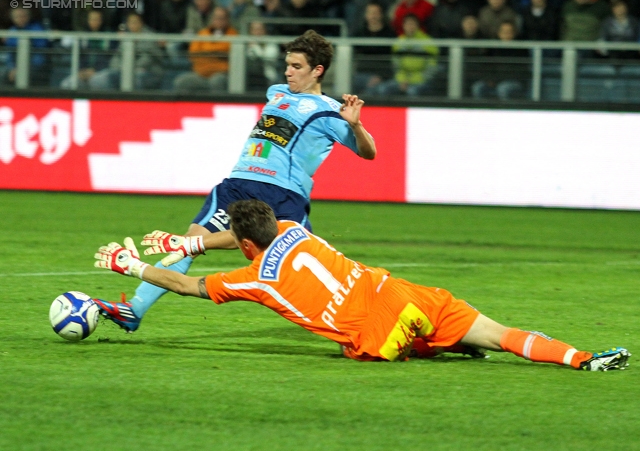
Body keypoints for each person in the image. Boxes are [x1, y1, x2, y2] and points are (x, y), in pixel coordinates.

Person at [94, 199, 631, 371]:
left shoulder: (255, 278)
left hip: (379, 327)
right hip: (404, 292)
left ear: (244, 244)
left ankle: (442, 349)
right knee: (501, 333)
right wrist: (185, 244)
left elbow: (188, 289)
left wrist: (130, 264)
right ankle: (583, 358)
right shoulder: (293, 228)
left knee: (365, 351)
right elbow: (251, 235)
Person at [95, 30, 377, 332]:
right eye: (287, 64)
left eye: (296, 66)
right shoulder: (277, 92)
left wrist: (356, 125)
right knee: (184, 246)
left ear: (317, 70)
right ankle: (133, 310)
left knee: (301, 271)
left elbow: (369, 152)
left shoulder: (331, 112)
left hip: (283, 194)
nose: (288, 71)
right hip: (239, 182)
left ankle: (361, 320)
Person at [89, 11, 164, 90]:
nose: (133, 25)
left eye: (135, 22)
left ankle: (134, 102)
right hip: (124, 71)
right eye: (130, 22)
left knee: (136, 78)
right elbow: (116, 57)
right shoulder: (126, 37)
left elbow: (147, 59)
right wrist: (120, 68)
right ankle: (112, 101)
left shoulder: (149, 37)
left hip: (148, 72)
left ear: (141, 23)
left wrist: (128, 69)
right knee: (99, 79)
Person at [173, 6, 238, 93]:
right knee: (181, 81)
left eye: (221, 18)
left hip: (221, 75)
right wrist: (215, 54)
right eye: (216, 18)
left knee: (217, 82)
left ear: (227, 19)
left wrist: (206, 52)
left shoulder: (233, 34)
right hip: (200, 74)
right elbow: (193, 54)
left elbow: (227, 52)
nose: (218, 21)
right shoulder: (203, 33)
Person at [373, 13, 440, 96]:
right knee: (383, 89)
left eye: (413, 24)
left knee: (412, 91)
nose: (410, 27)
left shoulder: (428, 43)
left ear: (418, 26)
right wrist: (403, 80)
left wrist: (411, 80)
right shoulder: (398, 43)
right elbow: (396, 67)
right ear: (403, 25)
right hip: (401, 79)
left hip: (421, 80)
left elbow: (431, 68)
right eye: (408, 24)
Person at [472, 20, 529, 99]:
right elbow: (486, 66)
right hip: (494, 81)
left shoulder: (521, 50)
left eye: (509, 32)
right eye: (504, 32)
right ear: (499, 33)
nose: (506, 34)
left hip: (513, 82)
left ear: (514, 33)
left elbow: (519, 72)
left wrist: (497, 80)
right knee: (478, 87)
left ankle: (504, 111)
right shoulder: (493, 48)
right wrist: (489, 79)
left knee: (503, 88)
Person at [352, 2, 397, 95]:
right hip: (362, 74)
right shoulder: (359, 34)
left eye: (376, 13)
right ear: (366, 15)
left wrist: (381, 77)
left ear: (381, 15)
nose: (373, 16)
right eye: (370, 13)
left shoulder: (390, 34)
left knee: (377, 90)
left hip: (383, 74)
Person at [1, 7, 50, 88]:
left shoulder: (37, 29)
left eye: (23, 16)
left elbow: (41, 53)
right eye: (17, 16)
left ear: (28, 17)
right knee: (4, 75)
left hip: (35, 66)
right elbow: (10, 54)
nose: (21, 19)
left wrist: (22, 69)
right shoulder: (12, 31)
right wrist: (12, 67)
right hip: (16, 66)